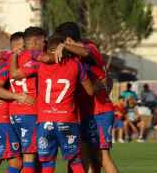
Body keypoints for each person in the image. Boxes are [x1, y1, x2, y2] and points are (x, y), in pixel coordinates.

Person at [55, 22, 119, 173]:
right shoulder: (73, 57)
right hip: (84, 114)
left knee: (102, 156)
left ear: (68, 40)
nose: (59, 45)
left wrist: (64, 47)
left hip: (100, 111)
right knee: (88, 158)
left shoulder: (90, 47)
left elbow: (86, 53)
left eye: (61, 41)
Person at [36, 35, 94, 173]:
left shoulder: (40, 65)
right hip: (67, 119)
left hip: (45, 120)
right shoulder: (76, 65)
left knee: (47, 163)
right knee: (75, 160)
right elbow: (90, 92)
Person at [0, 32, 33, 173]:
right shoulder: (6, 65)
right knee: (16, 163)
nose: (28, 48)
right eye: (25, 45)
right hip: (1, 120)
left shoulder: (18, 63)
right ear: (16, 47)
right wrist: (18, 97)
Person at [8, 27, 46, 173]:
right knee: (30, 158)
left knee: (21, 160)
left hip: (13, 113)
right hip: (28, 112)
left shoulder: (10, 58)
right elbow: (15, 75)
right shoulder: (33, 57)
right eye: (44, 40)